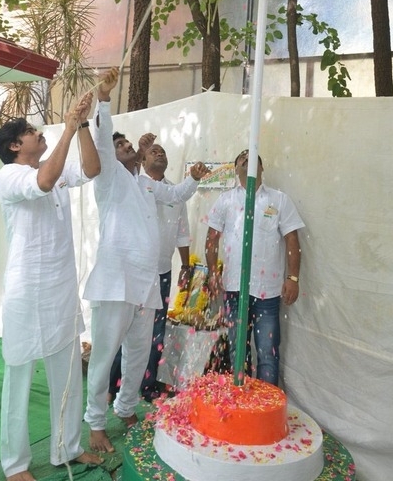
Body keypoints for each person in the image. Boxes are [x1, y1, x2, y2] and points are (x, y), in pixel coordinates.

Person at [84, 66, 208, 454]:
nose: (128, 150)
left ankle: (126, 408)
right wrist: (104, 98)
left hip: (146, 282)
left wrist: (196, 178)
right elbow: (104, 142)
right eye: (123, 148)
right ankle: (95, 423)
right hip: (115, 281)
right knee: (105, 356)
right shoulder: (108, 179)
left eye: (129, 147)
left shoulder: (147, 185)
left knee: (139, 352)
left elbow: (177, 197)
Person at [0, 94, 102, 481]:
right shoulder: (9, 175)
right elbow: (43, 181)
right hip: (26, 292)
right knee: (19, 378)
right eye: (30, 132)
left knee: (69, 372)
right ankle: (15, 464)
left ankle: (67, 448)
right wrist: (68, 127)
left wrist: (84, 124)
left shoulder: (51, 167)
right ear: (14, 146)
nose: (39, 133)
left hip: (60, 289)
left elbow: (92, 168)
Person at [205, 148, 304, 386]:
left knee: (268, 351)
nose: (247, 161)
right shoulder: (225, 200)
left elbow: (292, 239)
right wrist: (213, 273)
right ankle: (242, 402)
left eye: (253, 159)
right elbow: (212, 237)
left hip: (267, 292)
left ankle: (265, 407)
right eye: (242, 158)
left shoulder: (279, 200)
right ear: (235, 168)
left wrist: (293, 278)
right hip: (233, 287)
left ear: (262, 168)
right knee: (237, 351)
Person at [139, 142, 192, 401]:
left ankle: (148, 385)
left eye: (163, 152)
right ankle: (114, 386)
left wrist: (186, 266)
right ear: (142, 159)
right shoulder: (135, 186)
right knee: (128, 329)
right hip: (136, 273)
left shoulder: (176, 192)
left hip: (162, 272)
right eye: (153, 151)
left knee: (157, 331)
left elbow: (182, 231)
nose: (159, 153)